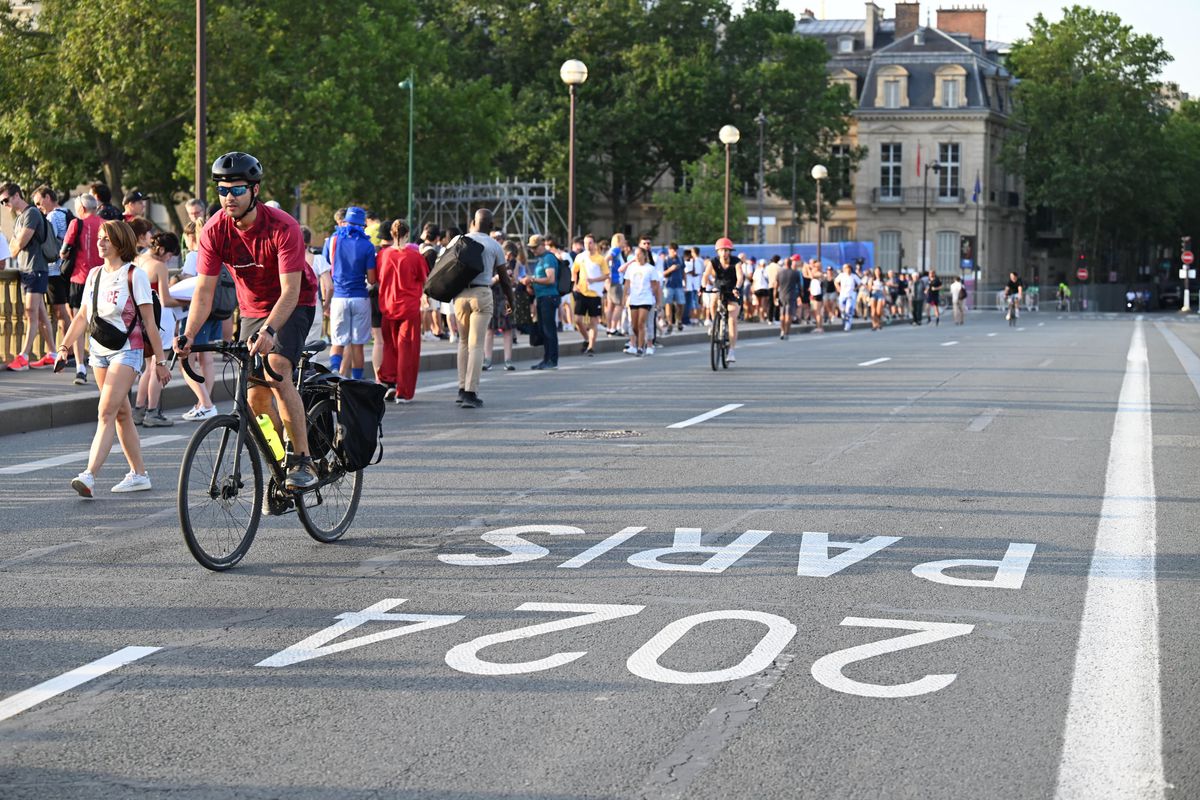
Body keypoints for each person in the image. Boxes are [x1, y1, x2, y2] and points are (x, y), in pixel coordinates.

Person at [176, 151, 320, 490]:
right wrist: (188, 333)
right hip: (253, 309)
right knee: (254, 397)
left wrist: (271, 330)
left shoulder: (283, 227)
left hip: (294, 302)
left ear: (254, 190)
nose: (229, 197)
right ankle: (278, 462)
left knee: (277, 369)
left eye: (237, 189)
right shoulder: (214, 231)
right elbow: (203, 293)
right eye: (223, 190)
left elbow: (290, 291)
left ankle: (302, 459)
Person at [54, 220, 171, 496]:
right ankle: (139, 474)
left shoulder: (134, 275)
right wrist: (64, 347)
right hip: (99, 351)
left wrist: (161, 361)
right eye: (100, 238)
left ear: (120, 243)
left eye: (107, 239)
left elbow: (149, 323)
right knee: (121, 413)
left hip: (128, 350)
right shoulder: (94, 275)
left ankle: (89, 475)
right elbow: (83, 316)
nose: (100, 242)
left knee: (105, 411)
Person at [451, 208, 506, 409]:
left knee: (463, 342)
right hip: (482, 294)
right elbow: (504, 277)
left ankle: (460, 388)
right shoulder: (495, 245)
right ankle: (470, 391)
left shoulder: (458, 240)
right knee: (476, 345)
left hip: (460, 296)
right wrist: (510, 300)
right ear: (491, 226)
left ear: (473, 222)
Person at [1, 182, 56, 371]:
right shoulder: (19, 218)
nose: (5, 204)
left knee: (31, 312)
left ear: (17, 195)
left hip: (36, 269)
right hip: (27, 270)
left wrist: (16, 244)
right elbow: (13, 247)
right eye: (2, 202)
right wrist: (15, 244)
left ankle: (23, 356)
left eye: (6, 200)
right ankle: (53, 354)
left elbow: (18, 245)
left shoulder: (31, 213)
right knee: (40, 314)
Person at [133, 231, 184, 427]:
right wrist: (186, 301)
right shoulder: (159, 267)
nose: (170, 259)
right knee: (158, 365)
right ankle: (153, 411)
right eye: (170, 255)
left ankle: (139, 409)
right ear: (162, 250)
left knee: (148, 366)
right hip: (159, 317)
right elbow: (165, 299)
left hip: (141, 317)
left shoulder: (138, 260)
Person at [173, 219, 221, 420]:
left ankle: (206, 403)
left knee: (187, 358)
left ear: (190, 236)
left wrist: (176, 279)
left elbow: (191, 282)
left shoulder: (194, 255)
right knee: (206, 358)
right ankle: (204, 401)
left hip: (196, 311)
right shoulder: (215, 252)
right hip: (216, 309)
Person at [376, 219, 428, 403]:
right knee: (407, 349)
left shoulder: (383, 255)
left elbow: (376, 278)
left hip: (388, 306)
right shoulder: (415, 256)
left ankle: (388, 382)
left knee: (390, 346)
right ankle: (403, 391)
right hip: (409, 307)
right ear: (407, 234)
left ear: (392, 234)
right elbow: (423, 279)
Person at [326, 206, 376, 380]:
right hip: (360, 297)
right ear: (363, 224)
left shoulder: (332, 241)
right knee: (357, 345)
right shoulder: (368, 245)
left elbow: (327, 267)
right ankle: (356, 381)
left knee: (337, 342)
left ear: (345, 220)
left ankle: (334, 374)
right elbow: (371, 279)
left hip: (339, 297)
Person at [32, 186, 74, 364]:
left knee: (60, 311)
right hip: (68, 268)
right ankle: (72, 350)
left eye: (39, 203)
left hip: (55, 269)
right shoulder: (68, 213)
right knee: (68, 311)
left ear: (48, 197)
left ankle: (68, 352)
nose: (39, 207)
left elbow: (49, 242)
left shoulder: (52, 216)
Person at [702, 237, 743, 362]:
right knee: (713, 299)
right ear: (717, 251)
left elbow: (740, 276)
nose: (724, 253)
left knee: (732, 320)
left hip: (733, 289)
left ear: (730, 252)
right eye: (722, 250)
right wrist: (702, 286)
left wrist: (737, 287)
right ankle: (715, 323)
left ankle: (731, 351)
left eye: (727, 250)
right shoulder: (713, 262)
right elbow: (705, 275)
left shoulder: (736, 261)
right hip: (719, 286)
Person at [484, 241, 523, 371]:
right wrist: (497, 277)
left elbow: (515, 282)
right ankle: (487, 359)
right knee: (490, 329)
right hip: (493, 297)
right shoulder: (492, 262)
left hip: (507, 299)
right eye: (506, 254)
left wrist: (511, 278)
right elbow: (487, 282)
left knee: (508, 329)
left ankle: (508, 360)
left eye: (510, 256)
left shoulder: (515, 264)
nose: (508, 258)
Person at [526, 234, 560, 370]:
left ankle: (551, 359)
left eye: (535, 248)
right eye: (531, 248)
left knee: (548, 330)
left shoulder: (548, 258)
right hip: (542, 297)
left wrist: (532, 279)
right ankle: (546, 359)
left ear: (542, 245)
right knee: (544, 329)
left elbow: (550, 279)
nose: (533, 251)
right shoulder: (541, 259)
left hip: (549, 297)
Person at [570, 234, 605, 356]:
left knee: (593, 321)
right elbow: (574, 271)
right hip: (581, 292)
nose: (587, 245)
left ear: (594, 244)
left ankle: (591, 346)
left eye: (590, 243)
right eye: (585, 243)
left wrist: (594, 280)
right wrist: (575, 284)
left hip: (594, 294)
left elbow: (606, 275)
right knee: (577, 320)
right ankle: (586, 338)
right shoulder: (580, 257)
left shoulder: (600, 259)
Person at [622, 246, 659, 356]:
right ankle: (639, 341)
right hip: (634, 299)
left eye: (639, 254)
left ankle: (640, 347)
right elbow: (627, 284)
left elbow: (655, 285)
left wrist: (653, 297)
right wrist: (624, 298)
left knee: (641, 323)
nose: (637, 257)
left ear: (644, 255)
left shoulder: (650, 268)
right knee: (634, 325)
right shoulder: (631, 268)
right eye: (635, 254)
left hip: (645, 299)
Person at [605, 232, 627, 336]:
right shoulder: (616, 250)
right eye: (623, 239)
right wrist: (608, 273)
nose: (625, 242)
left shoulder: (613, 250)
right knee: (619, 304)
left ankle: (609, 328)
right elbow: (607, 259)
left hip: (612, 281)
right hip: (616, 280)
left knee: (611, 306)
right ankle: (613, 327)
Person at [661, 242, 686, 332]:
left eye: (676, 251)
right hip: (669, 284)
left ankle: (679, 320)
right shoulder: (666, 260)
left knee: (681, 304)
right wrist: (670, 269)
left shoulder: (680, 259)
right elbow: (662, 274)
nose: (674, 253)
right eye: (672, 251)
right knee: (668, 304)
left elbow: (683, 271)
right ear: (669, 251)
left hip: (679, 284)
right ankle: (670, 323)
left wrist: (685, 283)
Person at [775, 257, 798, 339]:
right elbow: (799, 286)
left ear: (785, 263)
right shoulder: (795, 273)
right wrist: (800, 296)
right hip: (791, 295)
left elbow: (776, 286)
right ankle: (787, 332)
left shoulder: (780, 273)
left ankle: (782, 331)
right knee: (789, 315)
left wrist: (775, 296)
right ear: (791, 264)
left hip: (781, 295)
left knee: (782, 314)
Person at [835, 263, 860, 332]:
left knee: (848, 310)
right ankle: (844, 321)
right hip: (842, 295)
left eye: (848, 268)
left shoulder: (853, 276)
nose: (847, 269)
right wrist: (838, 288)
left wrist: (855, 288)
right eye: (845, 268)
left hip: (850, 295)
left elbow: (860, 283)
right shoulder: (841, 275)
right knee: (842, 311)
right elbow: (836, 281)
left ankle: (848, 325)